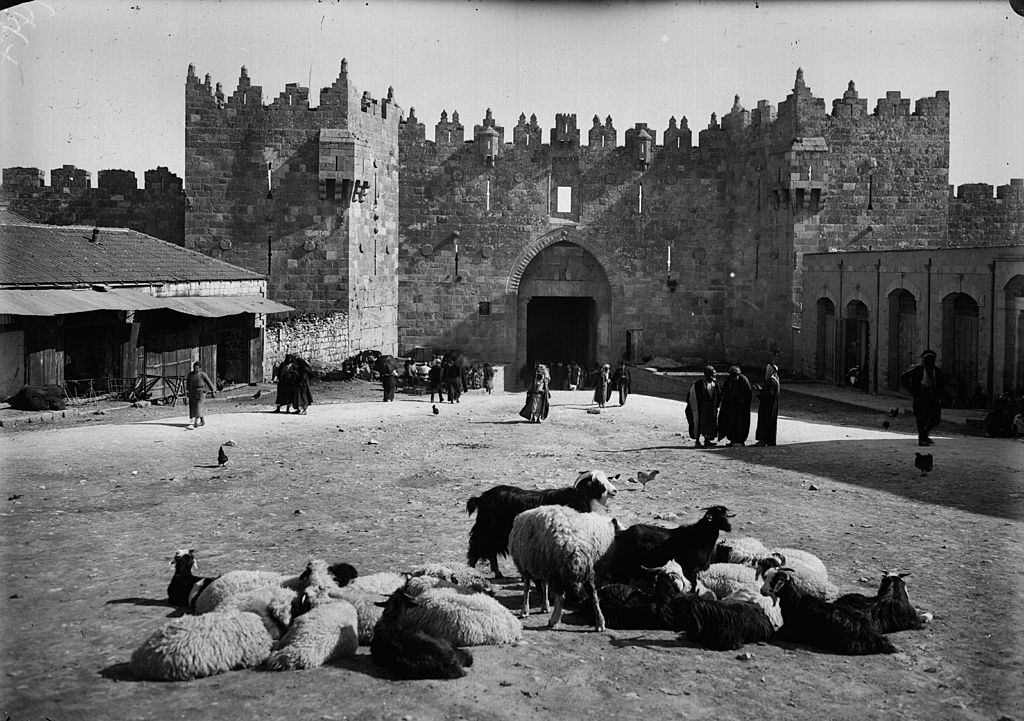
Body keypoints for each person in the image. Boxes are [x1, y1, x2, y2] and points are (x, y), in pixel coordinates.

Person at [900, 349, 945, 446]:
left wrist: (940, 395)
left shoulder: (937, 371)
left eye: (932, 360)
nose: (930, 362)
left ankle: (925, 433)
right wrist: (912, 390)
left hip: (933, 396)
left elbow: (941, 384)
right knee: (921, 418)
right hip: (921, 395)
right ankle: (922, 439)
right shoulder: (917, 369)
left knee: (935, 418)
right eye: (927, 360)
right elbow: (904, 376)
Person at [686, 365, 722, 447]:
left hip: (711, 408)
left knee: (709, 424)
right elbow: (691, 396)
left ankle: (707, 440)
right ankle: (697, 441)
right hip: (701, 408)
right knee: (699, 423)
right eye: (713, 374)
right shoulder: (698, 384)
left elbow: (719, 395)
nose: (714, 376)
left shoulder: (714, 384)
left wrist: (716, 405)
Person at [717, 365, 753, 447]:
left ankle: (740, 440)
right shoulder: (729, 380)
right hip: (731, 406)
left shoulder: (744, 380)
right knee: (730, 423)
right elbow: (725, 390)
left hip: (741, 408)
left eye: (735, 375)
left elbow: (748, 393)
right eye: (732, 375)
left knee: (740, 423)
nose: (734, 377)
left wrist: (742, 400)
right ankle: (732, 440)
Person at [754, 363, 781, 447]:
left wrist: (760, 395)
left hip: (767, 407)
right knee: (770, 423)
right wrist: (761, 389)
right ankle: (769, 440)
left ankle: (763, 440)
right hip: (771, 406)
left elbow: (769, 395)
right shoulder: (775, 380)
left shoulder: (771, 381)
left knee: (765, 422)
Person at [185, 361, 215, 429]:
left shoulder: (203, 374)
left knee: (199, 405)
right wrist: (188, 391)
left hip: (201, 392)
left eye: (197, 368)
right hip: (193, 392)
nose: (196, 370)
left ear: (200, 368)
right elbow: (188, 383)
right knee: (194, 406)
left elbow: (209, 382)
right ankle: (202, 421)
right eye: (195, 368)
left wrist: (213, 390)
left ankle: (196, 421)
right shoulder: (190, 375)